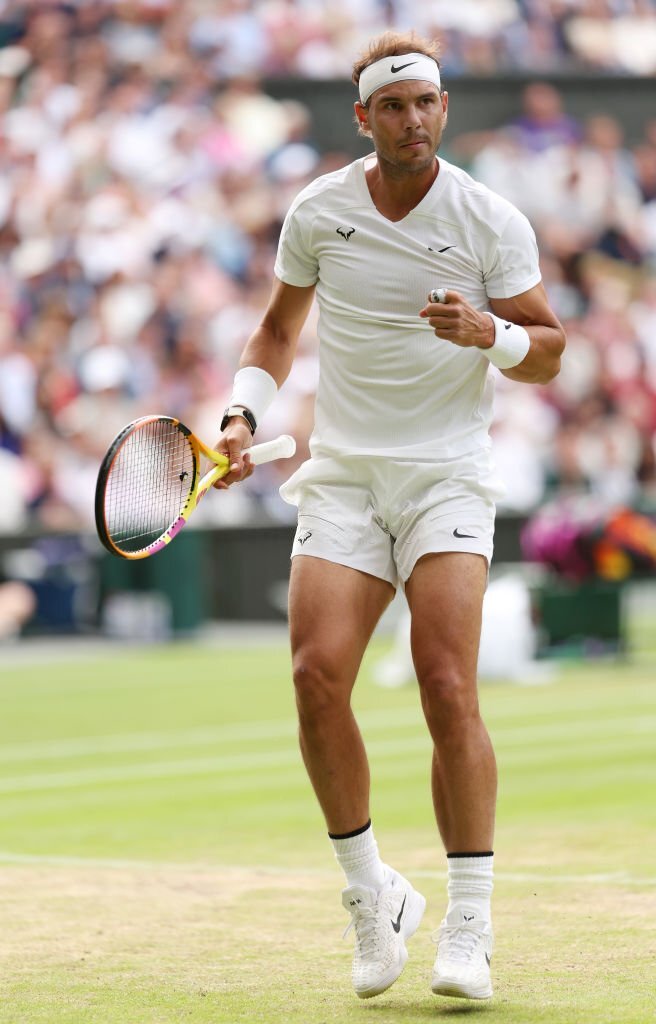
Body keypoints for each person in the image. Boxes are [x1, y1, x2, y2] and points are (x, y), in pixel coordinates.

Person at [215, 30, 566, 1003]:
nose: (413, 118)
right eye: (394, 105)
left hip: (447, 476)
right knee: (314, 676)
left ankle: (470, 922)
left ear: (442, 111)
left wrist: (489, 333)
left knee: (445, 682)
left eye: (427, 102)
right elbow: (279, 327)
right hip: (343, 477)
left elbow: (548, 346)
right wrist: (242, 409)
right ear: (362, 119)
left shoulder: (488, 218)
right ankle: (370, 896)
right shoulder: (318, 211)